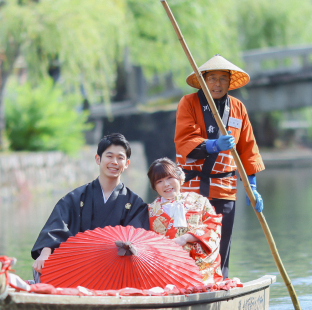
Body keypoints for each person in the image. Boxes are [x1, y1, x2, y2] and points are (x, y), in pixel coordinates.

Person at [174, 55, 265, 278]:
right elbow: (184, 140)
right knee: (192, 240)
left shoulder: (238, 108)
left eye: (223, 79)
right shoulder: (189, 103)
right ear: (203, 80)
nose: (217, 84)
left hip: (225, 188)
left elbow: (248, 148)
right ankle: (188, 282)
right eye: (212, 78)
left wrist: (251, 185)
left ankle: (221, 282)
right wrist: (213, 145)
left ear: (229, 82)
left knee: (222, 242)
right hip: (193, 189)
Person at [31, 133, 150, 274]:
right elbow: (56, 228)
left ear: (127, 164)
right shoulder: (76, 198)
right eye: (109, 156)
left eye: (120, 158)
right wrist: (45, 254)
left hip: (116, 268)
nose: (114, 162)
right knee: (41, 268)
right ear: (98, 159)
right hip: (78, 266)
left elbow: (138, 239)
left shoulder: (135, 204)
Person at [147, 158, 223, 284]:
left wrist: (186, 238)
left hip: (199, 266)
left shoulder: (200, 201)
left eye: (170, 178)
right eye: (159, 181)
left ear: (179, 178)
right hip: (166, 268)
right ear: (154, 187)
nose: (166, 184)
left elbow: (213, 226)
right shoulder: (149, 211)